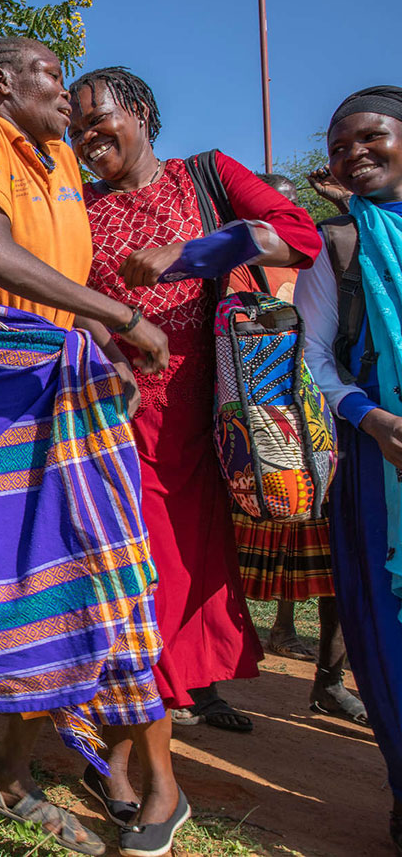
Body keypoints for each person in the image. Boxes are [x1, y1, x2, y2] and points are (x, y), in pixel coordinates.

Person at [0, 37, 177, 857]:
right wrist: (123, 316)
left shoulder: (59, 165)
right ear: (1, 83)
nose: (67, 94)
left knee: (67, 577)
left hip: (57, 379)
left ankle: (10, 774)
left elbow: (57, 279)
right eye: (52, 76)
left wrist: (104, 345)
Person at [67, 66, 321, 742]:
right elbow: (61, 293)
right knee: (127, 559)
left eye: (100, 120)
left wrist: (191, 251)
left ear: (142, 112)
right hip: (114, 408)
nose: (88, 136)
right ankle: (125, 714)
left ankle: (151, 718)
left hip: (203, 409)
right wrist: (112, 332)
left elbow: (298, 233)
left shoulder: (205, 175)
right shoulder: (77, 205)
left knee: (183, 555)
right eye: (77, 128)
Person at [296, 84, 402, 856]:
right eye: (339, 146)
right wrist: (371, 417)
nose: (353, 154)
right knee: (387, 627)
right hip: (379, 463)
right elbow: (315, 359)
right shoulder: (337, 248)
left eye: (370, 137)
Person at [232, 172, 365, 724]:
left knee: (338, 564)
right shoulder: (239, 261)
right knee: (227, 554)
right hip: (266, 427)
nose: (281, 217)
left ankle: (329, 680)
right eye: (269, 209)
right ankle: (201, 677)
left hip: (324, 424)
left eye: (287, 206)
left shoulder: (318, 256)